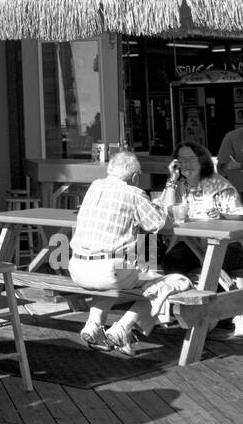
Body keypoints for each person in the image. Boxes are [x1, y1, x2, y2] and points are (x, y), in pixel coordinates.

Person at [69, 151, 174, 355]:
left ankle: (93, 325)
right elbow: (161, 224)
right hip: (109, 271)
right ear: (134, 177)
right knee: (161, 283)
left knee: (122, 276)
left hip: (77, 269)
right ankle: (123, 328)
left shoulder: (95, 186)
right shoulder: (134, 193)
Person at [154, 140, 243, 338]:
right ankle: (190, 308)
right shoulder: (179, 185)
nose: (186, 164)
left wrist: (221, 215)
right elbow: (165, 212)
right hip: (194, 244)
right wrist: (171, 179)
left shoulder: (218, 184)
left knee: (211, 263)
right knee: (171, 261)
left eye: (190, 159)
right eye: (181, 160)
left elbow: (239, 217)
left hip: (228, 245)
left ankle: (220, 314)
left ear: (202, 161)